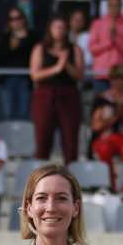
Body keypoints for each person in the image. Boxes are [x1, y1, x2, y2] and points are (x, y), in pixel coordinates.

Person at [29, 16, 85, 161]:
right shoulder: (40, 48)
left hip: (69, 96)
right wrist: (56, 68)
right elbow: (35, 75)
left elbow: (80, 75)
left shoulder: (74, 49)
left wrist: (66, 64)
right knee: (43, 139)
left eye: (62, 27)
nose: (59, 30)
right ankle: (40, 178)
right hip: (45, 96)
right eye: (56, 27)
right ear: (50, 29)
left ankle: (72, 178)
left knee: (70, 140)